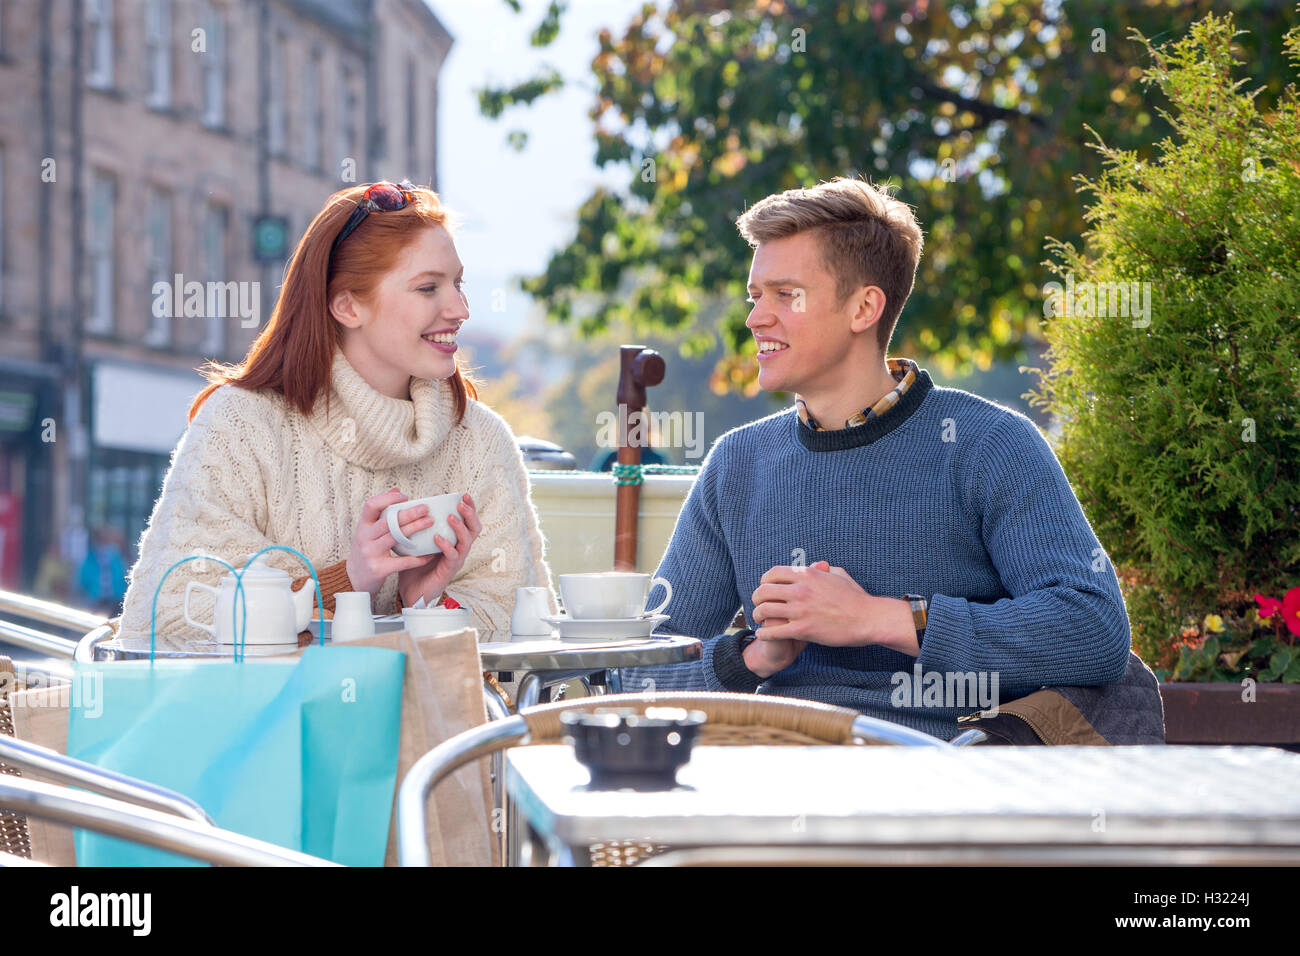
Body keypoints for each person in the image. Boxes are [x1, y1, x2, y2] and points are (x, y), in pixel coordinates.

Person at [619, 177, 1132, 742]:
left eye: (785, 295)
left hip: (944, 782)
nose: (755, 319)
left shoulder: (990, 444)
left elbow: (1093, 628)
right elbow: (637, 675)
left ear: (864, 307)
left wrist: (882, 619)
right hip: (772, 773)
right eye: (755, 296)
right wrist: (752, 656)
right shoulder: (738, 463)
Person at [119, 181, 554, 648]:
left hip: (444, 725)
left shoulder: (481, 441)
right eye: (428, 287)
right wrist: (347, 582)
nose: (460, 309)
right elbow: (175, 618)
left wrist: (425, 607)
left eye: (458, 284)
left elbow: (525, 629)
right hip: (267, 721)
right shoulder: (239, 426)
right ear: (347, 305)